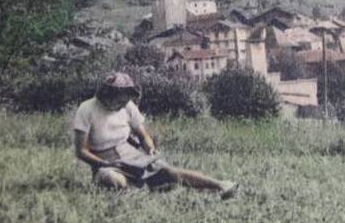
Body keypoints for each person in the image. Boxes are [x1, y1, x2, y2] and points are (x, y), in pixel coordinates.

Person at [72, 72, 239, 199]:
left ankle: (221, 185)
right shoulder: (86, 109)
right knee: (113, 179)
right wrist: (104, 162)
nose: (122, 106)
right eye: (119, 102)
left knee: (170, 171)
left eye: (124, 102)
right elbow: (81, 151)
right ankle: (147, 187)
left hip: (130, 154)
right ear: (107, 95)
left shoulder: (128, 106)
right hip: (105, 160)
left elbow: (143, 135)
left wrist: (150, 148)